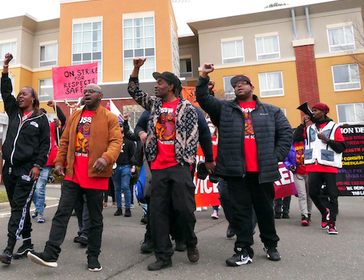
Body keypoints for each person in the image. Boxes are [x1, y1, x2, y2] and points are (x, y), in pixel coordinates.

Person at [196, 64, 292, 267]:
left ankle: (270, 245)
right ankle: (243, 249)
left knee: (265, 210)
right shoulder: (224, 109)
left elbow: (286, 134)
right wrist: (204, 76)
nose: (239, 87)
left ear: (252, 87)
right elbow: (203, 99)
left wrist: (274, 157)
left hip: (262, 172)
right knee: (240, 213)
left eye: (243, 84)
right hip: (235, 172)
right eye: (236, 85)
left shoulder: (272, 111)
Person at [128, 58, 214, 271]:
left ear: (171, 86)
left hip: (179, 166)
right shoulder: (154, 105)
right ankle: (163, 256)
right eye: (156, 82)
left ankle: (191, 241)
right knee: (157, 213)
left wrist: (186, 160)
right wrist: (136, 68)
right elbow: (134, 91)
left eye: (160, 82)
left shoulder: (187, 108)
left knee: (184, 209)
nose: (156, 85)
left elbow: (195, 136)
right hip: (157, 167)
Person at [28, 84, 122, 272]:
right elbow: (64, 141)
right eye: (85, 91)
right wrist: (58, 162)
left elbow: (116, 142)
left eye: (91, 91)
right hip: (73, 175)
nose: (87, 93)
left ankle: (93, 257)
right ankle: (50, 254)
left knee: (95, 219)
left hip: (96, 175)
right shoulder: (75, 116)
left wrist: (106, 158)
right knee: (62, 214)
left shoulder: (109, 118)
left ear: (100, 96)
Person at [0, 53, 51, 265]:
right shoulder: (13, 112)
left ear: (33, 99)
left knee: (18, 209)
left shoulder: (41, 118)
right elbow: (5, 91)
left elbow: (45, 145)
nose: (20, 96)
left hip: (27, 170)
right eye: (19, 94)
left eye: (24, 94)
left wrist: (38, 166)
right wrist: (5, 68)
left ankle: (10, 247)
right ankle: (27, 242)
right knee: (18, 208)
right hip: (8, 169)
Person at [292, 103, 346, 235]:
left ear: (323, 112)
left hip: (329, 166)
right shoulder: (310, 128)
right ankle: (325, 212)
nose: (313, 113)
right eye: (313, 110)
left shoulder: (334, 127)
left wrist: (327, 140)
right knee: (313, 193)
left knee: (332, 196)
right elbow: (296, 137)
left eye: (315, 111)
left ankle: (331, 224)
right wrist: (303, 124)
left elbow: (342, 147)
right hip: (313, 166)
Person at [32, 100, 66, 223]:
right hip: (32, 162)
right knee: (31, 189)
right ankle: (39, 206)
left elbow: (62, 119)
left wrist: (55, 107)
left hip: (46, 163)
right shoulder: (32, 127)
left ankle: (40, 213)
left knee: (40, 188)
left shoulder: (51, 126)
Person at [112, 118, 136, 217]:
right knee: (117, 188)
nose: (119, 128)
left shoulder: (129, 141)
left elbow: (133, 154)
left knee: (126, 187)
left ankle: (127, 208)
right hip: (115, 167)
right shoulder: (113, 140)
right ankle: (118, 208)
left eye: (121, 126)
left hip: (126, 166)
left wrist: (133, 166)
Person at [291, 140, 313, 226]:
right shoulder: (290, 146)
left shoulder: (308, 144)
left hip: (309, 173)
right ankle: (304, 215)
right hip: (298, 173)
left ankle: (309, 213)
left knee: (309, 195)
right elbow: (286, 159)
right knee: (302, 195)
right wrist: (289, 165)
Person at [274, 145, 296, 219]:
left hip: (287, 167)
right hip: (281, 166)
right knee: (279, 189)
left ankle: (283, 211)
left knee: (286, 189)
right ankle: (280, 210)